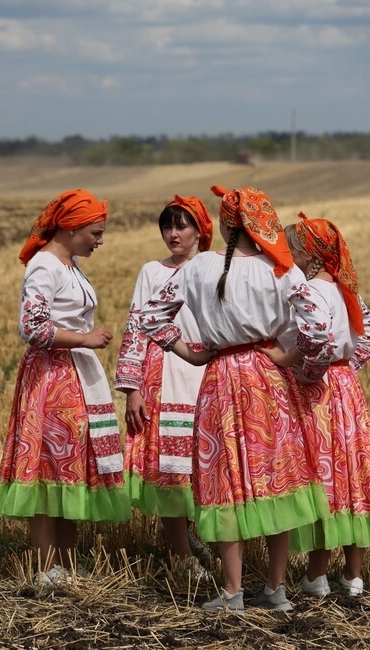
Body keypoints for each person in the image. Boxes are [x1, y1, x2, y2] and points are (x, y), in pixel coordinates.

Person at [137, 185, 335, 612]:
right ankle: (276, 589)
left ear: (226, 224)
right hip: (268, 379)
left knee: (224, 482)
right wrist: (288, 356)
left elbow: (148, 317)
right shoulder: (282, 269)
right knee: (276, 479)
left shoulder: (198, 268)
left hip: (220, 378)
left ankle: (231, 592)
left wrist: (190, 352)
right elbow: (321, 331)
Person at [0, 189, 132, 589]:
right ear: (71, 228)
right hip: (53, 380)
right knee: (49, 466)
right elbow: (31, 327)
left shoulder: (68, 264)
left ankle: (65, 564)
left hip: (74, 377)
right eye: (95, 232)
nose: (100, 240)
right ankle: (45, 566)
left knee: (72, 468)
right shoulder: (45, 266)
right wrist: (84, 339)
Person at [262, 214, 370, 597]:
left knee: (324, 478)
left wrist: (298, 367)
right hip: (346, 389)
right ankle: (353, 576)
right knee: (354, 475)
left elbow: (317, 339)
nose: (286, 255)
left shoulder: (310, 291)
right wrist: (345, 369)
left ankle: (316, 576)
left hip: (320, 393)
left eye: (291, 249)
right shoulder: (347, 291)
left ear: (308, 255)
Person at [114, 196, 214, 579]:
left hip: (207, 372)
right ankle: (182, 554)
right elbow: (137, 328)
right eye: (167, 226)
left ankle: (198, 533)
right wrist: (133, 389)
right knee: (171, 469)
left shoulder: (214, 267)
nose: (173, 234)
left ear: (200, 230)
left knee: (204, 465)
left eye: (182, 225)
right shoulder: (151, 272)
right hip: (165, 374)